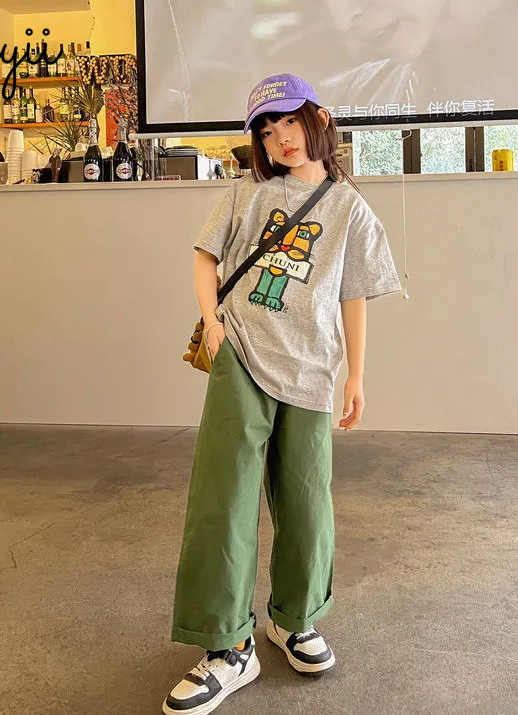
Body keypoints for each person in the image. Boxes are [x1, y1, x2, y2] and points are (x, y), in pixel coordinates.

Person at [163, 72, 401, 715]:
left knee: (306, 500)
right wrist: (213, 323)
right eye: (267, 131)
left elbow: (354, 294)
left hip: (313, 367)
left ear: (316, 120)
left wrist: (356, 375)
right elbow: (205, 255)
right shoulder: (246, 192)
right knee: (224, 501)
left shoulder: (349, 208)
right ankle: (227, 646)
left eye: (289, 122)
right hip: (242, 355)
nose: (280, 139)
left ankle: (295, 619)